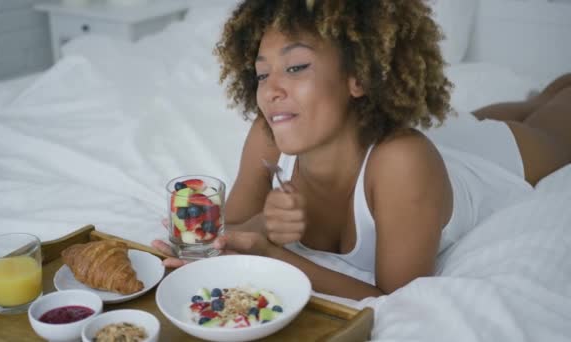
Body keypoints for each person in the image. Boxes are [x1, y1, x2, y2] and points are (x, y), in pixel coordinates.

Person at [152, 0, 571, 300]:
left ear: (359, 77)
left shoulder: (402, 163)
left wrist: (273, 255)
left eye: (296, 67)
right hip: (429, 143)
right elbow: (238, 228)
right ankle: (534, 96)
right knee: (516, 106)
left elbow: (396, 297)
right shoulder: (269, 136)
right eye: (263, 74)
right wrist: (220, 239)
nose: (272, 90)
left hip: (489, 160)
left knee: (554, 113)